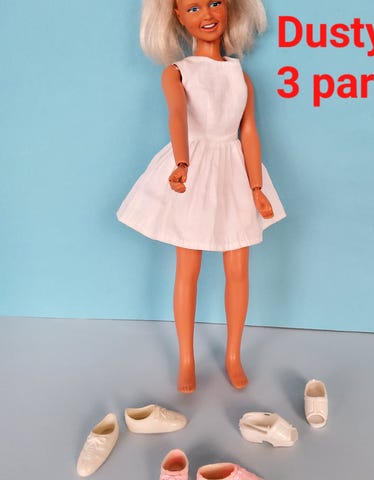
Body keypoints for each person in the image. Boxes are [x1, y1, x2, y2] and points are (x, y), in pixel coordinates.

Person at [117, 0, 286, 393]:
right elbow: (177, 116)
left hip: (234, 171)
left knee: (238, 269)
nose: (207, 15)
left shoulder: (240, 76)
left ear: (229, 7)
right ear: (176, 16)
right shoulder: (177, 72)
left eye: (214, 3)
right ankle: (187, 359)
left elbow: (248, 132)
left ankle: (233, 355)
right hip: (194, 168)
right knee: (187, 268)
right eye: (193, 8)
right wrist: (182, 163)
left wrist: (257, 188)